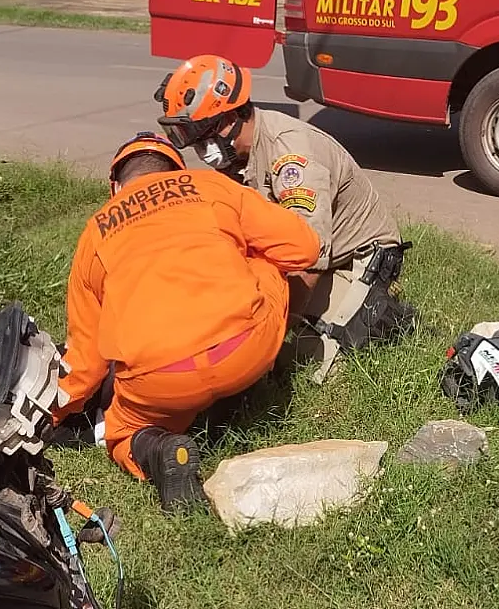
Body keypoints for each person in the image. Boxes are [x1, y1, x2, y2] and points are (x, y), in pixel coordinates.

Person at [52, 132, 321, 511]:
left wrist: (52, 414)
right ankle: (246, 392)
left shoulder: (94, 234)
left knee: (122, 434)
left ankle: (158, 448)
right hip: (245, 350)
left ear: (114, 186)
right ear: (178, 171)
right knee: (267, 263)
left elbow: (87, 361)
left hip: (161, 380)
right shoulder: (210, 185)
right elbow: (304, 248)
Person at [153, 55, 417, 384]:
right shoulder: (239, 156)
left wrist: (273, 332)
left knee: (309, 365)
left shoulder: (291, 156)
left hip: (354, 257)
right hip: (303, 252)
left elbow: (309, 258)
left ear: (232, 118)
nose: (202, 149)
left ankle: (390, 317)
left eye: (205, 135)